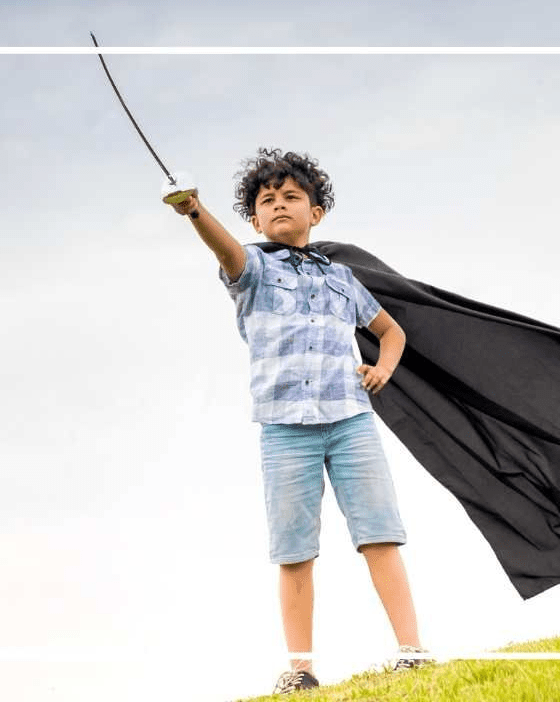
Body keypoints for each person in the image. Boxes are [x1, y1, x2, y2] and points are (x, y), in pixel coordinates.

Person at [165, 148, 430, 694]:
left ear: (317, 213)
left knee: (380, 536)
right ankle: (302, 669)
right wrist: (195, 210)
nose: (280, 205)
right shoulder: (253, 270)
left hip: (351, 422)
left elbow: (392, 332)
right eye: (268, 201)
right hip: (285, 431)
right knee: (294, 553)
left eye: (292, 197)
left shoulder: (344, 279)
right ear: (255, 219)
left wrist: (382, 368)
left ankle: (413, 651)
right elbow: (224, 248)